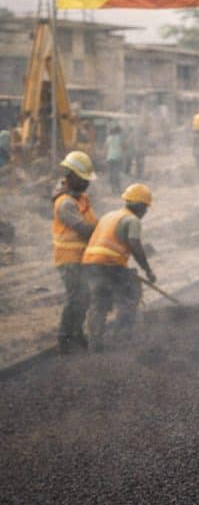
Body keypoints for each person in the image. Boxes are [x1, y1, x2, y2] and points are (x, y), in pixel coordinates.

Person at [81, 183, 156, 352]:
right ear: (139, 206)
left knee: (99, 301)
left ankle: (95, 342)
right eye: (145, 208)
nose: (145, 212)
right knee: (129, 295)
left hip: (90, 262)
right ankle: (123, 335)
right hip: (110, 264)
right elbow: (135, 244)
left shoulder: (110, 215)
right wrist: (147, 270)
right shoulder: (132, 220)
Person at [52, 151, 98, 354]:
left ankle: (77, 335)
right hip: (69, 258)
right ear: (70, 177)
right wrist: (107, 231)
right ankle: (64, 339)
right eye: (83, 179)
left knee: (85, 296)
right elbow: (86, 229)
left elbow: (93, 224)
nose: (87, 184)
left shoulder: (82, 198)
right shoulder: (65, 204)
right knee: (74, 297)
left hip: (83, 257)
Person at [103, 124, 124, 193]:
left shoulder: (108, 138)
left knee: (111, 173)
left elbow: (105, 148)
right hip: (118, 157)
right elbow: (124, 146)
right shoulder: (120, 137)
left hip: (109, 157)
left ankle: (112, 188)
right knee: (117, 173)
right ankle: (118, 188)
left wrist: (105, 157)